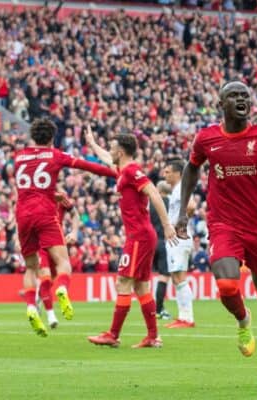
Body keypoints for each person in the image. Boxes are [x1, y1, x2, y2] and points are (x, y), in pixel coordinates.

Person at [175, 81, 257, 388]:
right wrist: (181, 213)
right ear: (221, 103)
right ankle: (243, 320)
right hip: (223, 224)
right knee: (227, 284)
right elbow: (191, 169)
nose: (241, 99)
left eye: (245, 95)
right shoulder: (207, 139)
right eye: (234, 96)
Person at [14, 118, 117, 337]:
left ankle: (32, 307)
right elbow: (88, 167)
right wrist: (117, 173)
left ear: (33, 136)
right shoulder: (55, 155)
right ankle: (61, 288)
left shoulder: (19, 157)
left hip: (22, 214)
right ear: (52, 138)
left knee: (31, 267)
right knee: (63, 264)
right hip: (45, 213)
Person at [85, 126, 177, 348]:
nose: (110, 151)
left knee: (123, 282)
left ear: (122, 152)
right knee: (141, 288)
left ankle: (113, 335)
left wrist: (166, 225)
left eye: (113, 148)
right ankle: (153, 337)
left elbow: (154, 193)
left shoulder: (132, 171)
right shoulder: (122, 169)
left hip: (139, 236)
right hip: (141, 235)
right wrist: (92, 143)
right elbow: (106, 158)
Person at [36, 191, 80, 329]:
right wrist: (74, 231)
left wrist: (74, 231)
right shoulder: (54, 196)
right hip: (48, 241)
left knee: (49, 279)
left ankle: (41, 302)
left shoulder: (57, 196)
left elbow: (75, 214)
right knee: (52, 276)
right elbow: (75, 214)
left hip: (50, 241)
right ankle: (51, 314)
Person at [163, 159, 197, 329]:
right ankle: (183, 316)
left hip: (179, 238)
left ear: (177, 173)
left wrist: (178, 225)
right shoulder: (176, 190)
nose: (165, 174)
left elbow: (191, 206)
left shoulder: (181, 188)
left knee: (180, 278)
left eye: (168, 171)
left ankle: (187, 318)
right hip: (175, 239)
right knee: (177, 278)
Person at [151, 180, 173, 320]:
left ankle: (152, 308)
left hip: (150, 241)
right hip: (164, 242)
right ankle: (159, 310)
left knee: (144, 278)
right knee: (163, 276)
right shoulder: (171, 203)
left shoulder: (150, 204)